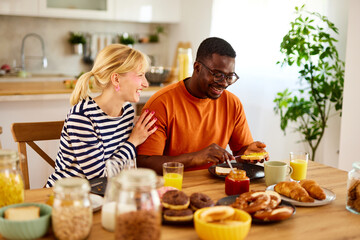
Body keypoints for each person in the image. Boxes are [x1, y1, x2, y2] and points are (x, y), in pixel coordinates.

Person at [136, 37, 267, 175]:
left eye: (229, 77)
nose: (224, 83)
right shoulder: (162, 103)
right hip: (173, 187)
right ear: (197, 67)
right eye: (218, 75)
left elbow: (240, 153)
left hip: (214, 186)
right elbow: (145, 163)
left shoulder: (232, 104)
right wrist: (195, 158)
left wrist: (248, 155)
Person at [46, 44, 157, 187]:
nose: (146, 84)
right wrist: (133, 141)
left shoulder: (127, 111)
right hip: (69, 196)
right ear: (116, 79)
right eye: (140, 75)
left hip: (103, 194)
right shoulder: (82, 117)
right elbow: (99, 176)